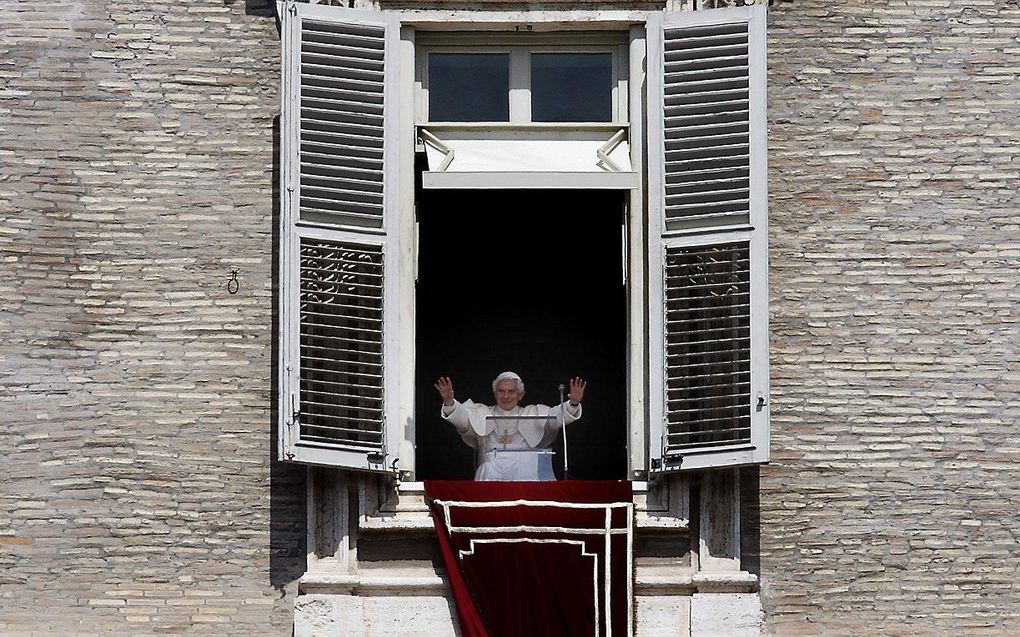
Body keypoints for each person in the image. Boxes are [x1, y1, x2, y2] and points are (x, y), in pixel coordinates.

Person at [434, 372, 587, 481]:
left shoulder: (532, 412)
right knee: (487, 469)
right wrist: (450, 403)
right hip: (492, 468)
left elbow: (554, 418)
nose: (506, 396)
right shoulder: (482, 412)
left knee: (527, 470)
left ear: (520, 395)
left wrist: (572, 404)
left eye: (511, 392)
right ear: (495, 394)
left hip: (525, 469)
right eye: (501, 391)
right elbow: (464, 420)